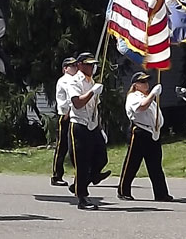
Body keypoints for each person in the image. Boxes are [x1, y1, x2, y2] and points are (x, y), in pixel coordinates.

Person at [118, 71, 173, 201]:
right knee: (132, 163)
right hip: (139, 131)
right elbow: (141, 107)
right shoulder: (134, 96)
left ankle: (161, 193)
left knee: (155, 165)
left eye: (146, 81)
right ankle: (123, 190)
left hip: (152, 133)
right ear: (135, 85)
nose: (146, 84)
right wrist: (153, 94)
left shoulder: (149, 97)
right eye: (142, 82)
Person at [67, 52, 111, 210]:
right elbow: (77, 103)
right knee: (82, 164)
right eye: (88, 64)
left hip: (93, 126)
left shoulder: (91, 81)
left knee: (101, 158)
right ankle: (82, 198)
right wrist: (92, 91)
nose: (91, 67)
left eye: (93, 65)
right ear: (79, 65)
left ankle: (81, 183)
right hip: (79, 125)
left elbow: (94, 108)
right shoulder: (74, 82)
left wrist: (99, 127)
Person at [51, 56, 78, 187]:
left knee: (75, 146)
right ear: (65, 69)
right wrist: (67, 113)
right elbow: (69, 98)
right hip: (65, 115)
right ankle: (56, 175)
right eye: (71, 66)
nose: (74, 68)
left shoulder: (75, 80)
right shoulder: (65, 81)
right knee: (62, 146)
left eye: (75, 66)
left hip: (73, 115)